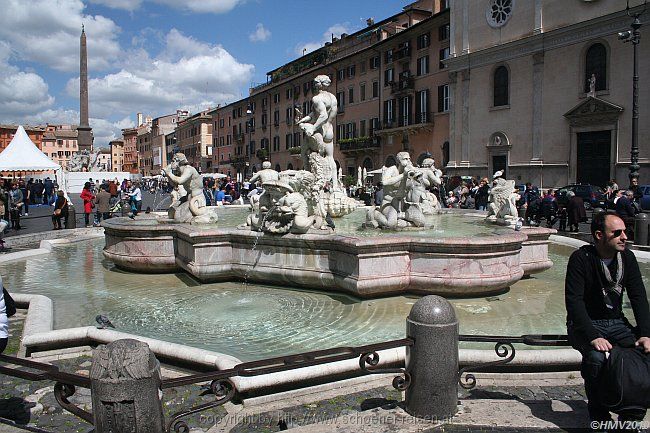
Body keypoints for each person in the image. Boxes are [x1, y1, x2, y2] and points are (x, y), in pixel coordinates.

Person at [565, 212, 650, 424]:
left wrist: (646, 333)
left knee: (643, 354)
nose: (625, 237)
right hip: (586, 326)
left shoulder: (627, 258)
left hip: (617, 323)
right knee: (595, 358)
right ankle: (598, 413)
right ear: (599, 235)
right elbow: (574, 302)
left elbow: (638, 296)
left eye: (625, 231)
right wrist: (593, 336)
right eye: (617, 233)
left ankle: (631, 413)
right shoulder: (581, 258)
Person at [294, 74, 339, 189]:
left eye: (314, 83)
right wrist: (304, 119)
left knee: (304, 152)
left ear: (317, 85)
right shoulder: (333, 98)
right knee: (330, 158)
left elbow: (322, 115)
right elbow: (315, 114)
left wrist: (312, 128)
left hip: (319, 130)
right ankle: (335, 187)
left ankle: (309, 179)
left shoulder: (317, 98)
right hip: (329, 130)